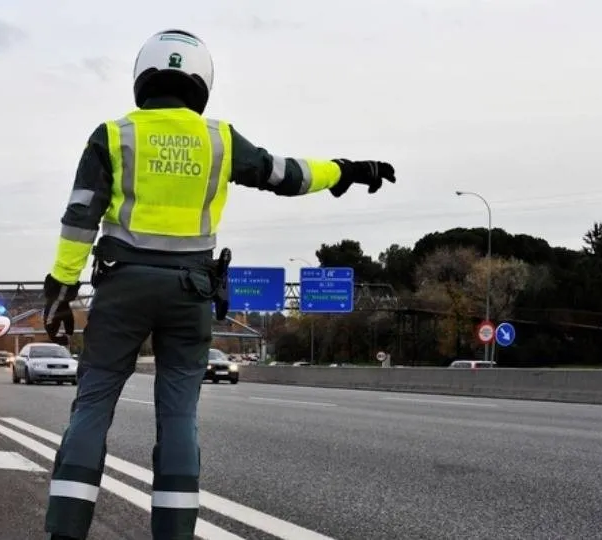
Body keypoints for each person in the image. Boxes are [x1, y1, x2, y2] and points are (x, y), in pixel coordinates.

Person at [40, 28, 396, 540]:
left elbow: (80, 217)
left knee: (93, 404)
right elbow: (286, 174)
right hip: (190, 293)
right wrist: (344, 170)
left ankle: (66, 531)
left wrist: (62, 288)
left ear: (142, 76)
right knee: (179, 414)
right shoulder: (219, 139)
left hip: (122, 288)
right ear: (201, 80)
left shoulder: (113, 135)